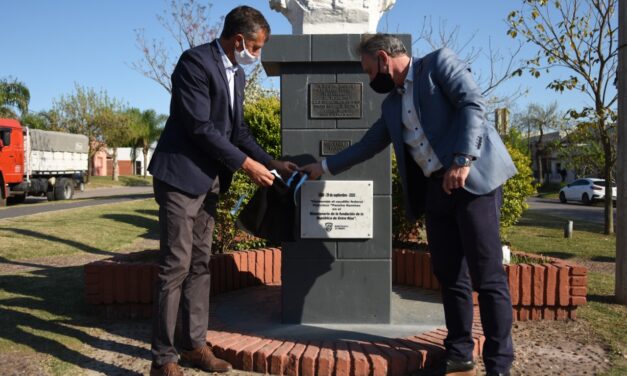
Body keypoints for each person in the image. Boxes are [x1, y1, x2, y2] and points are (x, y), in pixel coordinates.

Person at [301, 34, 517, 376]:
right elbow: (368, 145)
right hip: (437, 191)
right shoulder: (391, 105)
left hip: (473, 182)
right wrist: (323, 167)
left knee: (487, 276)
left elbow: (472, 104)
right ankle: (459, 351)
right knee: (449, 275)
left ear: (384, 59)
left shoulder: (439, 64)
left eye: (370, 71)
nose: (370, 79)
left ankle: (499, 364)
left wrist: (463, 159)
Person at [147, 6, 297, 376]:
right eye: (257, 48)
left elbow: (237, 133)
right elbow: (200, 127)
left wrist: (271, 162)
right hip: (180, 179)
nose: (257, 55)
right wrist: (246, 166)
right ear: (239, 40)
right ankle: (163, 358)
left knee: (200, 265)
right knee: (175, 267)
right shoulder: (194, 63)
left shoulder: (238, 77)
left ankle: (195, 345)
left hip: (210, 181)